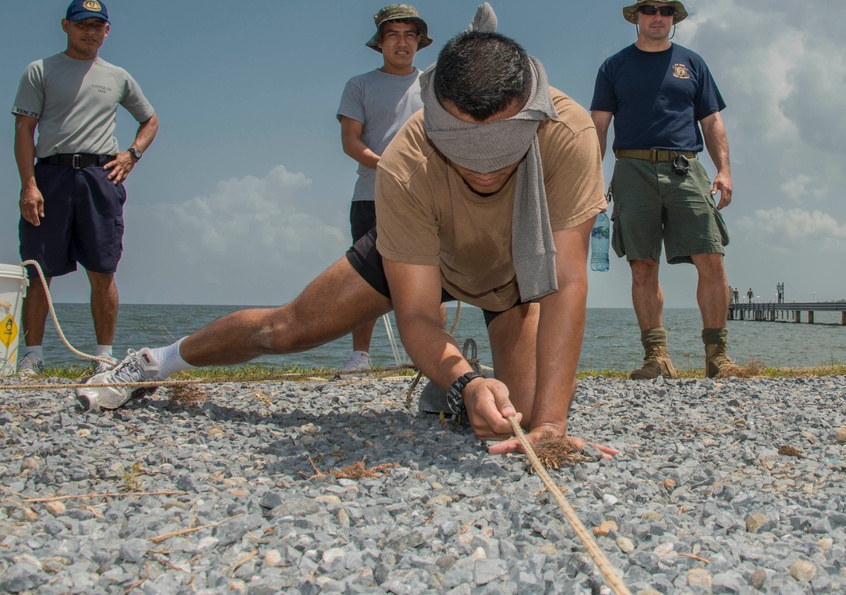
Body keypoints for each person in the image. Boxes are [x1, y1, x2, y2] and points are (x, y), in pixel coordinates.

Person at [77, 27, 616, 457]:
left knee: (519, 416)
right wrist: (467, 384)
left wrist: (550, 425)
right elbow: (419, 317)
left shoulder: (567, 134)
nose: (483, 170)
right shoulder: (406, 161)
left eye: (499, 152)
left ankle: (452, 383)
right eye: (466, 153)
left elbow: (566, 282)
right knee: (284, 330)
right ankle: (152, 362)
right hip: (425, 252)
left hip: (515, 271)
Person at [590, 0, 743, 380]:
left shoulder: (693, 63)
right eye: (649, 10)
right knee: (642, 267)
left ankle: (718, 357)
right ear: (636, 17)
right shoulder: (613, 66)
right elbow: (599, 126)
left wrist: (723, 169)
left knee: (711, 258)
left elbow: (711, 121)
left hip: (685, 168)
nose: (657, 16)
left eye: (665, 11)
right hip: (632, 170)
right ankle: (656, 357)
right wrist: (591, 177)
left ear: (673, 19)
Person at [12, 0, 158, 375]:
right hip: (50, 175)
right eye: (82, 24)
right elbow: (24, 130)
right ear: (66, 26)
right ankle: (32, 356)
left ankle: (103, 357)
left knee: (103, 269)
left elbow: (150, 119)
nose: (89, 32)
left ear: (107, 31)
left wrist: (132, 155)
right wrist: (29, 184)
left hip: (99, 177)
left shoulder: (118, 76)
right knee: (39, 270)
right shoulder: (40, 70)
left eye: (97, 26)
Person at [337, 4, 432, 372]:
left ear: (419, 42)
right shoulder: (358, 85)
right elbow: (350, 141)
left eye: (410, 34)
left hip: (423, 196)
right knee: (363, 278)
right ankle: (360, 356)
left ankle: (427, 358)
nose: (402, 42)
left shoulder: (432, 85)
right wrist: (387, 165)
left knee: (429, 275)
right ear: (380, 43)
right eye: (393, 34)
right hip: (370, 194)